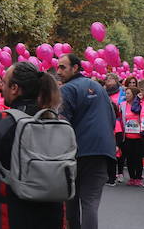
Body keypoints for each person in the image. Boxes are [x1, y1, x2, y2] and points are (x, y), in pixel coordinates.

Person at [0, 60, 68, 228]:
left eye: (4, 83)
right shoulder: (56, 121)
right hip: (53, 216)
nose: (1, 87)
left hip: (9, 215)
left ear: (14, 88)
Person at [55, 53, 114, 229]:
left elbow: (62, 124)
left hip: (77, 152)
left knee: (72, 202)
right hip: (102, 152)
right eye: (58, 67)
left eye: (62, 67)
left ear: (75, 68)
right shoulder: (99, 88)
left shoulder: (67, 90)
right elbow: (111, 118)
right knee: (90, 203)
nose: (58, 71)